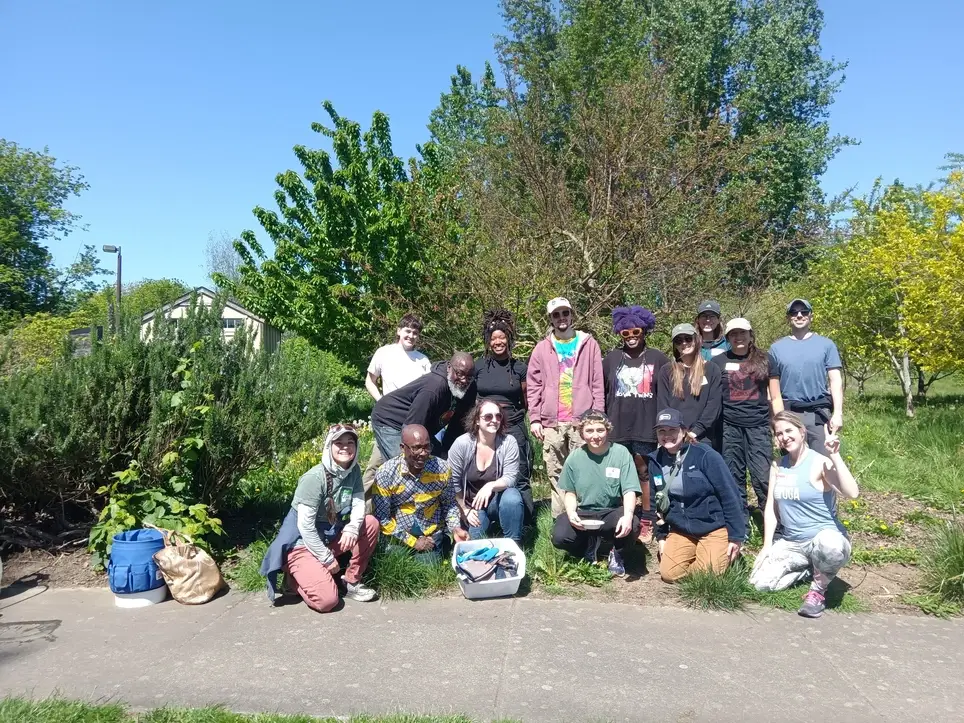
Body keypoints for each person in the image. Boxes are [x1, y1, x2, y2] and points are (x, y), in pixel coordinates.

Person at [750, 412, 859, 618]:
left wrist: (835, 455)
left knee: (832, 547)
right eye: (779, 433)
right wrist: (766, 546)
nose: (784, 437)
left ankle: (818, 591)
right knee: (759, 585)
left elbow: (852, 492)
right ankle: (809, 569)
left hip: (824, 538)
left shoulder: (819, 462)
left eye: (789, 431)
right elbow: (772, 507)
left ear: (802, 432)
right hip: (793, 543)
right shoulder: (778, 465)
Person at [260, 424, 379, 612]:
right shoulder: (314, 478)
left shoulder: (354, 470)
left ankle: (350, 581)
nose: (345, 447)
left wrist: (352, 528)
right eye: (338, 443)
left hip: (328, 535)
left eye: (350, 442)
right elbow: (305, 527)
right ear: (329, 446)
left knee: (370, 523)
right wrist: (326, 559)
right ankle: (293, 578)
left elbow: (358, 503)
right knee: (327, 601)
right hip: (301, 543)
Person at [527, 297, 605, 517]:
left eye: (565, 313)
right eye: (556, 315)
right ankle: (561, 520)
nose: (561, 318)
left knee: (584, 470)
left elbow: (597, 382)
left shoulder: (589, 344)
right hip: (552, 422)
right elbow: (533, 385)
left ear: (571, 315)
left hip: (582, 420)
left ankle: (585, 516)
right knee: (555, 471)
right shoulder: (542, 349)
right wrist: (535, 418)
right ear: (550, 319)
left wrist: (597, 416)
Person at [648, 408, 746, 582]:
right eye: (661, 431)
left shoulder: (705, 455)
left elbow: (730, 495)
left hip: (713, 526)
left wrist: (736, 536)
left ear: (683, 431)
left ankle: (718, 556)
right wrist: (661, 536)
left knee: (707, 574)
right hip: (682, 529)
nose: (667, 435)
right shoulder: (655, 460)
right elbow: (656, 502)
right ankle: (707, 557)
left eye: (672, 430)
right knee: (669, 574)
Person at [602, 305, 669, 543]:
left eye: (636, 332)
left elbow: (666, 393)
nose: (631, 338)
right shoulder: (610, 359)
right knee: (617, 473)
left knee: (645, 472)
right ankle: (619, 517)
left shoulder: (658, 358)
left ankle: (648, 519)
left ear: (644, 331)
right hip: (617, 424)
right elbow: (602, 391)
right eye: (625, 334)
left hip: (646, 424)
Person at [551, 410, 640, 577]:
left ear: (607, 430)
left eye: (600, 430)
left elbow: (629, 490)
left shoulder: (621, 453)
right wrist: (571, 513)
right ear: (582, 433)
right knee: (559, 536)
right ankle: (588, 548)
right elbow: (569, 492)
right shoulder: (575, 457)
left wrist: (627, 515)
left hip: (610, 511)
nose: (595, 436)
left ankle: (617, 553)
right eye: (589, 431)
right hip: (584, 512)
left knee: (633, 524)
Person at [372, 424, 468, 564]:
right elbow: (382, 518)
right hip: (399, 535)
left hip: (430, 531)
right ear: (402, 448)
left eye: (427, 447)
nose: (423, 453)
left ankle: (442, 541)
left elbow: (449, 504)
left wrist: (455, 527)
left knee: (427, 566)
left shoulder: (442, 469)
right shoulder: (386, 473)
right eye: (416, 448)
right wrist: (413, 542)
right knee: (396, 561)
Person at [709, 318, 772, 527]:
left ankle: (772, 521)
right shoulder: (717, 363)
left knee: (763, 476)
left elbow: (776, 396)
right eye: (734, 334)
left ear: (750, 334)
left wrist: (779, 425)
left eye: (742, 333)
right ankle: (740, 525)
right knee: (734, 476)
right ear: (727, 338)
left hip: (759, 426)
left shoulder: (765, 360)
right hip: (730, 427)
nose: (739, 338)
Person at [362, 314, 432, 495]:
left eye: (415, 333)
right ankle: (357, 510)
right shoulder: (384, 353)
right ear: (399, 331)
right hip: (388, 420)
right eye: (408, 331)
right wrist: (381, 401)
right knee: (376, 466)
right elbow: (370, 381)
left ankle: (403, 509)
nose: (411, 336)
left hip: (412, 422)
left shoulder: (423, 360)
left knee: (408, 465)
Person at [473, 309, 533, 517]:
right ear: (488, 341)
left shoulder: (519, 368)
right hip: (485, 428)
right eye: (494, 338)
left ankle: (525, 520)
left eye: (502, 337)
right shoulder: (479, 366)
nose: (498, 342)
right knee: (485, 472)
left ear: (509, 339)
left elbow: (527, 400)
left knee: (520, 473)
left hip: (513, 426)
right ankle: (485, 515)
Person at [768, 298, 844, 452]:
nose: (799, 315)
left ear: (811, 316)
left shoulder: (826, 345)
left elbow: (835, 380)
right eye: (794, 312)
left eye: (804, 311)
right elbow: (771, 389)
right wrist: (775, 421)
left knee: (825, 462)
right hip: (789, 414)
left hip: (818, 414)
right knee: (791, 464)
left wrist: (838, 413)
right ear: (788, 318)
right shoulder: (776, 348)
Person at [370, 352, 475, 461]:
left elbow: (457, 428)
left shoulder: (469, 388)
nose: (464, 380)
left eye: (469, 376)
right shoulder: (434, 388)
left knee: (441, 462)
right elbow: (411, 426)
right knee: (404, 465)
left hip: (423, 426)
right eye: (460, 373)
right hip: (391, 420)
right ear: (449, 367)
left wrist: (447, 453)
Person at [448, 399, 524, 543]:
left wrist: (490, 486)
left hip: (497, 500)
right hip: (472, 505)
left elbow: (510, 477)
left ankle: (514, 544)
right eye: (488, 416)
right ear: (477, 420)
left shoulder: (509, 442)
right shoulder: (462, 444)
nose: (494, 420)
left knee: (512, 496)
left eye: (498, 416)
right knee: (475, 541)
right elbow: (452, 482)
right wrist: (464, 510)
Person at [657, 323, 722, 450]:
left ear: (696, 340)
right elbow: (663, 406)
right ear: (675, 345)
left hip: (703, 438)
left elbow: (713, 406)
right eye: (678, 340)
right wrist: (674, 431)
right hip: (673, 437)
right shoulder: (666, 371)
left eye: (688, 338)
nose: (684, 343)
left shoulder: (712, 369)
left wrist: (695, 432)